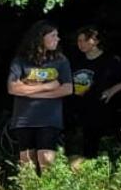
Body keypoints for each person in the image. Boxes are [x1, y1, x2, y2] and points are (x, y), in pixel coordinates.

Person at [65, 25, 121, 162]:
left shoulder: (110, 60)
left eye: (86, 40)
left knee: (107, 151)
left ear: (96, 41)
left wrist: (114, 89)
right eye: (79, 41)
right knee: (84, 152)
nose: (81, 44)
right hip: (81, 112)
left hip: (105, 112)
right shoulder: (76, 61)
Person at [7, 20, 74, 171]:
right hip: (24, 119)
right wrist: (49, 86)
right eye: (53, 35)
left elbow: (67, 89)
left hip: (49, 118)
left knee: (46, 158)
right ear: (40, 37)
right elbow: (12, 88)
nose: (58, 39)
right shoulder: (20, 60)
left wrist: (30, 90)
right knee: (27, 160)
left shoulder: (61, 60)